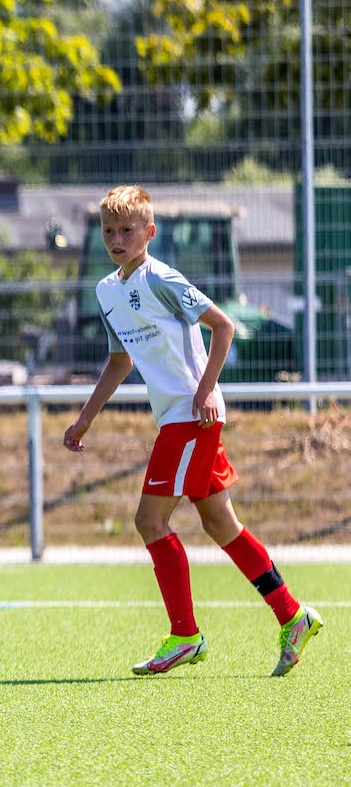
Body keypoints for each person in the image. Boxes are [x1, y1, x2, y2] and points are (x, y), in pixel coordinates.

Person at [64, 184, 322, 677]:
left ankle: (185, 635)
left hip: (192, 416)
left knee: (149, 521)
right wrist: (85, 418)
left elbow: (224, 326)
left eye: (127, 230)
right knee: (220, 523)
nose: (116, 239)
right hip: (178, 418)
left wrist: (205, 392)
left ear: (150, 232)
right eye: (108, 230)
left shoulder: (162, 278)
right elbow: (120, 361)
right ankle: (293, 616)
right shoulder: (106, 291)